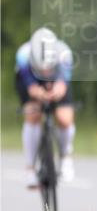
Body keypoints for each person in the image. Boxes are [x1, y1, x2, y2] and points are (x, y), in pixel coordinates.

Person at [15, 27, 76, 188]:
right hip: (31, 81)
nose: (45, 71)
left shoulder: (64, 54)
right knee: (32, 114)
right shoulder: (23, 55)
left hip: (58, 80)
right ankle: (30, 168)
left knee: (64, 118)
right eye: (42, 68)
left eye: (48, 68)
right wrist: (38, 93)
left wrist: (57, 90)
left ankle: (65, 158)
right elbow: (30, 87)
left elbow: (63, 83)